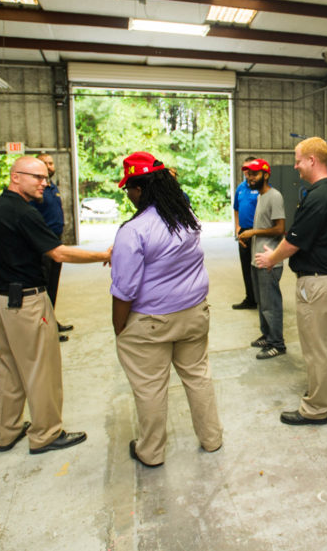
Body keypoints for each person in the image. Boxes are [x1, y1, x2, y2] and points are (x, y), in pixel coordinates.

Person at [0, 156, 111, 454]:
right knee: (41, 369)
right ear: (16, 177)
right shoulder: (24, 213)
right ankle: (47, 434)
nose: (44, 183)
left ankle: (9, 430)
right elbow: (59, 254)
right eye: (37, 177)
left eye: (45, 178)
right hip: (25, 301)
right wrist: (103, 254)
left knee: (10, 366)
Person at [109, 152, 223, 467]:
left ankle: (151, 451)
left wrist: (120, 329)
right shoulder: (185, 216)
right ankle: (211, 438)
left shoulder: (134, 231)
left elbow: (124, 290)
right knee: (198, 376)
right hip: (194, 314)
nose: (128, 195)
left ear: (141, 189)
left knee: (151, 388)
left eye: (129, 188)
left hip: (152, 322)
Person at [255, 137, 327, 425]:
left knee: (316, 348)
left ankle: (316, 409)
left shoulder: (317, 198)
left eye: (298, 160)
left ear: (312, 160)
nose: (295, 166)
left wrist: (272, 258)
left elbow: (294, 241)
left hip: (318, 285)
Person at [237, 158, 287, 359]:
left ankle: (277, 344)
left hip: (270, 260)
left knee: (271, 304)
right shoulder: (260, 196)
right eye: (248, 173)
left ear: (266, 175)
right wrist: (246, 235)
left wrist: (253, 232)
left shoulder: (274, 196)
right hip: (257, 258)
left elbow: (280, 229)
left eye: (254, 174)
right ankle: (267, 336)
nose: (249, 177)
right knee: (262, 303)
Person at [30, 152, 73, 341]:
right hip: (44, 245)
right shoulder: (35, 191)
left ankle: (51, 322)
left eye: (51, 163)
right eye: (44, 163)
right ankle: (44, 329)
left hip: (56, 240)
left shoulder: (52, 187)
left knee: (52, 287)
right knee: (44, 288)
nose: (49, 166)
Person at [232, 156, 260, 310]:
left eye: (250, 170)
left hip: (258, 232)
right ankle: (250, 299)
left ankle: (263, 298)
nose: (247, 174)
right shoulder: (241, 188)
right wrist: (237, 228)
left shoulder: (262, 189)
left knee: (260, 268)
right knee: (246, 267)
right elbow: (236, 208)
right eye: (245, 170)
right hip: (243, 232)